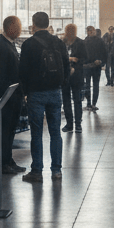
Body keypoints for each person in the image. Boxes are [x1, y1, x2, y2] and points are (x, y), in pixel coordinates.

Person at [18, 11, 70, 183]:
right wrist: (60, 84)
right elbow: (66, 67)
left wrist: (25, 92)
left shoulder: (28, 44)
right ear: (48, 24)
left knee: (36, 133)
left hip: (36, 93)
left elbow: (23, 71)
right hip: (55, 92)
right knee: (56, 132)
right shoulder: (59, 43)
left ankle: (37, 171)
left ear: (33, 24)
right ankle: (56, 171)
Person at [0, 15, 26, 175]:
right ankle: (3, 163)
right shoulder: (1, 46)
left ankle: (8, 159)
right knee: (4, 131)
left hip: (14, 96)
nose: (19, 30)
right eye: (18, 27)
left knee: (10, 130)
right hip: (6, 98)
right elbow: (0, 75)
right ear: (10, 27)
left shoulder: (9, 44)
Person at [60, 24, 87, 133]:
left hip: (77, 75)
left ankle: (78, 124)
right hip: (65, 76)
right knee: (66, 101)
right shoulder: (62, 43)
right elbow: (59, 58)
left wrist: (77, 62)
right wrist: (69, 59)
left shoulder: (80, 43)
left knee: (77, 100)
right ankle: (69, 123)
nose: (69, 32)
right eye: (68, 30)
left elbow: (85, 58)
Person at [83, 25, 107, 111]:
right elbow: (105, 53)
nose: (90, 32)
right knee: (94, 85)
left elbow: (104, 53)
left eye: (91, 31)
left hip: (88, 66)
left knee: (88, 85)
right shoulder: (100, 41)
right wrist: (101, 62)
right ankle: (92, 104)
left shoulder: (85, 41)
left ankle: (90, 103)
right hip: (94, 66)